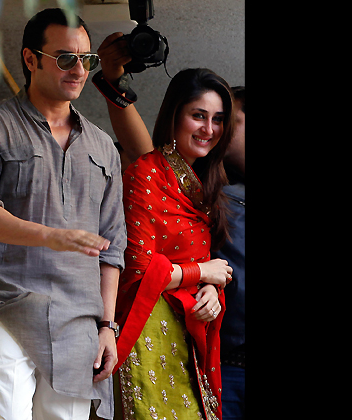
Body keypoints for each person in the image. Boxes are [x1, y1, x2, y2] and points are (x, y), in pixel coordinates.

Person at [0, 9, 126, 420]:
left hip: (77, 323)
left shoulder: (103, 148)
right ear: (31, 59)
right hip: (3, 308)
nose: (79, 70)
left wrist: (106, 327)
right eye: (66, 58)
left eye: (88, 60)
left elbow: (113, 248)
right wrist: (49, 235)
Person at [95, 33, 235, 420]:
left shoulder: (204, 183)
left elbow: (196, 259)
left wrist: (209, 288)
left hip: (190, 328)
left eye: (218, 119)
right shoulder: (146, 172)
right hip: (149, 331)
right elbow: (139, 269)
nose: (209, 128)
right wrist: (201, 272)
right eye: (198, 115)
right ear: (175, 114)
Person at [213, 86, 245, 420]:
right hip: (227, 364)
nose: (215, 129)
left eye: (226, 120)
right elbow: (143, 153)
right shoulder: (208, 187)